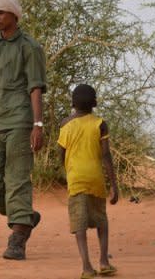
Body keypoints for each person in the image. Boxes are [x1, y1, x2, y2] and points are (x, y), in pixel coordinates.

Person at [0, 0, 47, 260]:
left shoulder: (30, 47)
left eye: (0, 13)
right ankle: (24, 216)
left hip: (19, 122)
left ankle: (17, 239)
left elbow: (36, 88)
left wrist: (37, 125)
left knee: (17, 181)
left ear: (13, 15)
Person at [57, 84, 119, 279]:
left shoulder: (65, 125)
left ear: (72, 104)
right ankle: (104, 261)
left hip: (76, 179)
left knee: (79, 223)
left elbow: (61, 154)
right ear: (95, 103)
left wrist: (67, 169)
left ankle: (86, 267)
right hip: (95, 179)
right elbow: (106, 155)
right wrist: (114, 185)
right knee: (101, 220)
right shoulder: (100, 124)